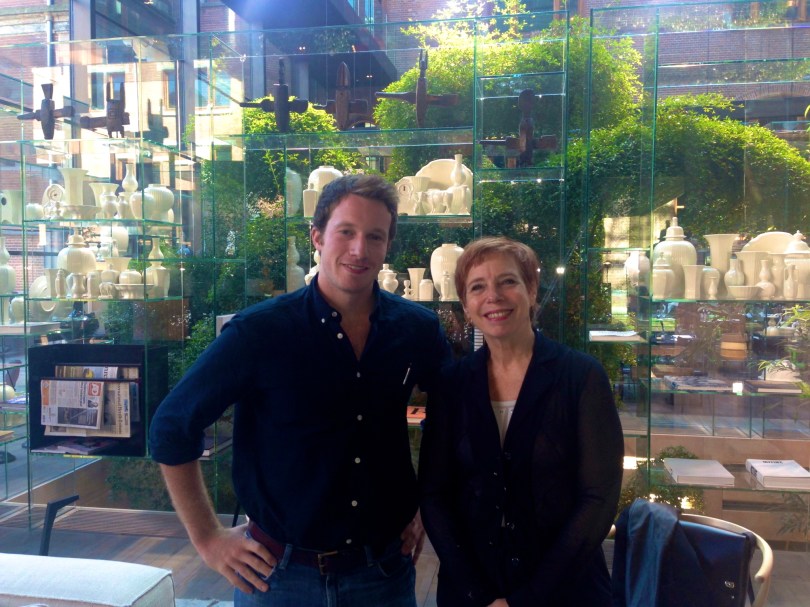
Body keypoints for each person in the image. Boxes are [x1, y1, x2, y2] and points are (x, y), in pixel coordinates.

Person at [149, 174, 452, 607]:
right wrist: (208, 539)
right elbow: (172, 426)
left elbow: (454, 417)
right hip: (277, 577)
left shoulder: (417, 330)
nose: (359, 249)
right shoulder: (260, 332)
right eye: (345, 232)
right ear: (317, 237)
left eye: (375, 236)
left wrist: (426, 507)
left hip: (383, 572)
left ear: (388, 245)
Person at [419, 237, 624, 607]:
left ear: (532, 291)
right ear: (465, 305)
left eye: (508, 281)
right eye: (477, 287)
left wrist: (528, 598)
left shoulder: (581, 376)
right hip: (471, 593)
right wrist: (479, 594)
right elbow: (435, 494)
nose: (493, 296)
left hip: (565, 592)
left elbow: (599, 498)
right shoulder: (451, 384)